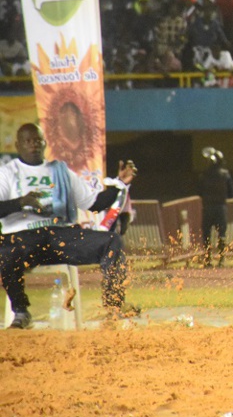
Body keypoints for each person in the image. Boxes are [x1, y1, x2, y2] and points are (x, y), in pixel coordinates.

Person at [0, 123, 139, 329]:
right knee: (5, 252)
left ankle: (114, 307)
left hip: (61, 236)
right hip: (23, 238)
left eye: (38, 140)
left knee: (111, 241)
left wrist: (120, 183)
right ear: (18, 145)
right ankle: (21, 312)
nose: (34, 145)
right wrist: (20, 202)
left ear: (45, 143)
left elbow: (95, 203)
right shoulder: (6, 173)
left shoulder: (61, 171)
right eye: (28, 141)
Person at [197, 146, 233, 268]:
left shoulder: (204, 175)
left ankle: (207, 259)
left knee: (206, 234)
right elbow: (231, 193)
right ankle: (222, 259)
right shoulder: (225, 175)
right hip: (221, 208)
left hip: (207, 208)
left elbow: (199, 191)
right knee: (221, 234)